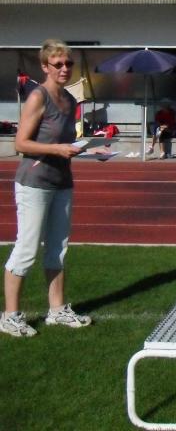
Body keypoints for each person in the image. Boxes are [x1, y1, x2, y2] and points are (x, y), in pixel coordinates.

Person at [2, 39, 91, 337]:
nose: (65, 68)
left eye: (69, 63)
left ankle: (57, 310)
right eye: (58, 64)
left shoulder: (69, 99)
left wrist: (86, 149)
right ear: (45, 67)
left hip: (62, 181)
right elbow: (21, 143)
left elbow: (64, 141)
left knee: (58, 248)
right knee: (27, 249)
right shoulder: (38, 97)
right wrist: (58, 150)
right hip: (35, 183)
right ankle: (10, 316)